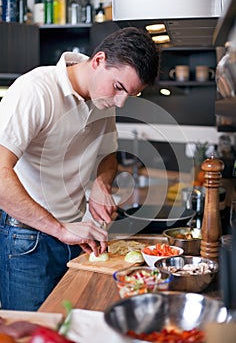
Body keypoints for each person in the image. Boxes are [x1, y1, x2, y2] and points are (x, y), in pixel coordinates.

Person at [0, 27, 158, 311]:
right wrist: (59, 228)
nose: (121, 102)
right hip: (27, 241)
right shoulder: (35, 90)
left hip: (76, 234)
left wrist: (101, 184)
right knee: (32, 331)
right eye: (119, 88)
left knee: (68, 327)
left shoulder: (103, 98)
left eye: (130, 95)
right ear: (98, 61)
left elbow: (107, 155)